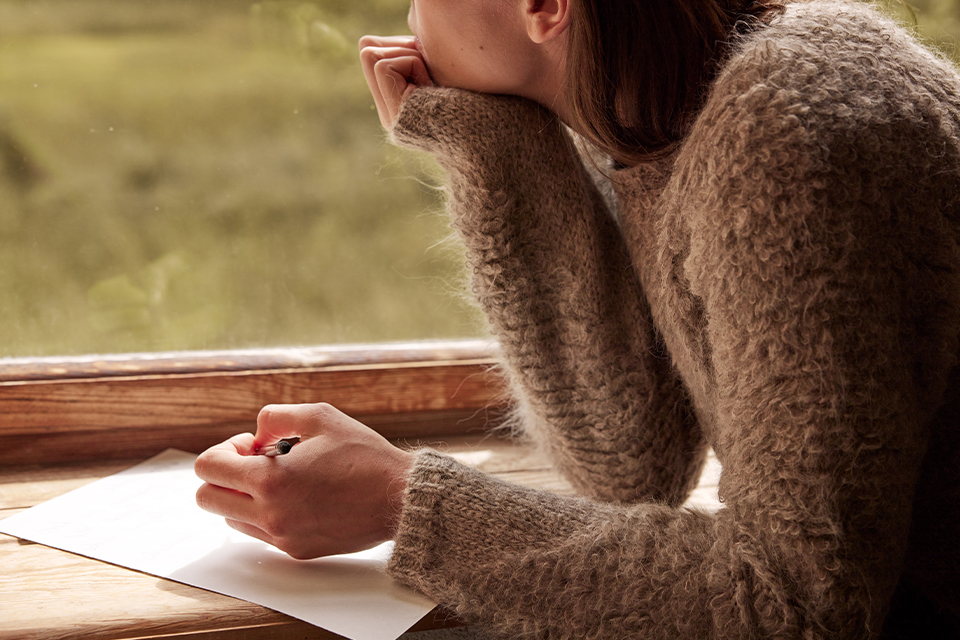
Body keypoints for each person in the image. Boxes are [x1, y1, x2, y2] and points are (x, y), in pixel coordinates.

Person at [194, 0, 960, 636]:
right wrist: (494, 149)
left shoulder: (788, 122)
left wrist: (400, 498)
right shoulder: (650, 117)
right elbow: (627, 465)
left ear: (543, 8)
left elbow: (798, 601)